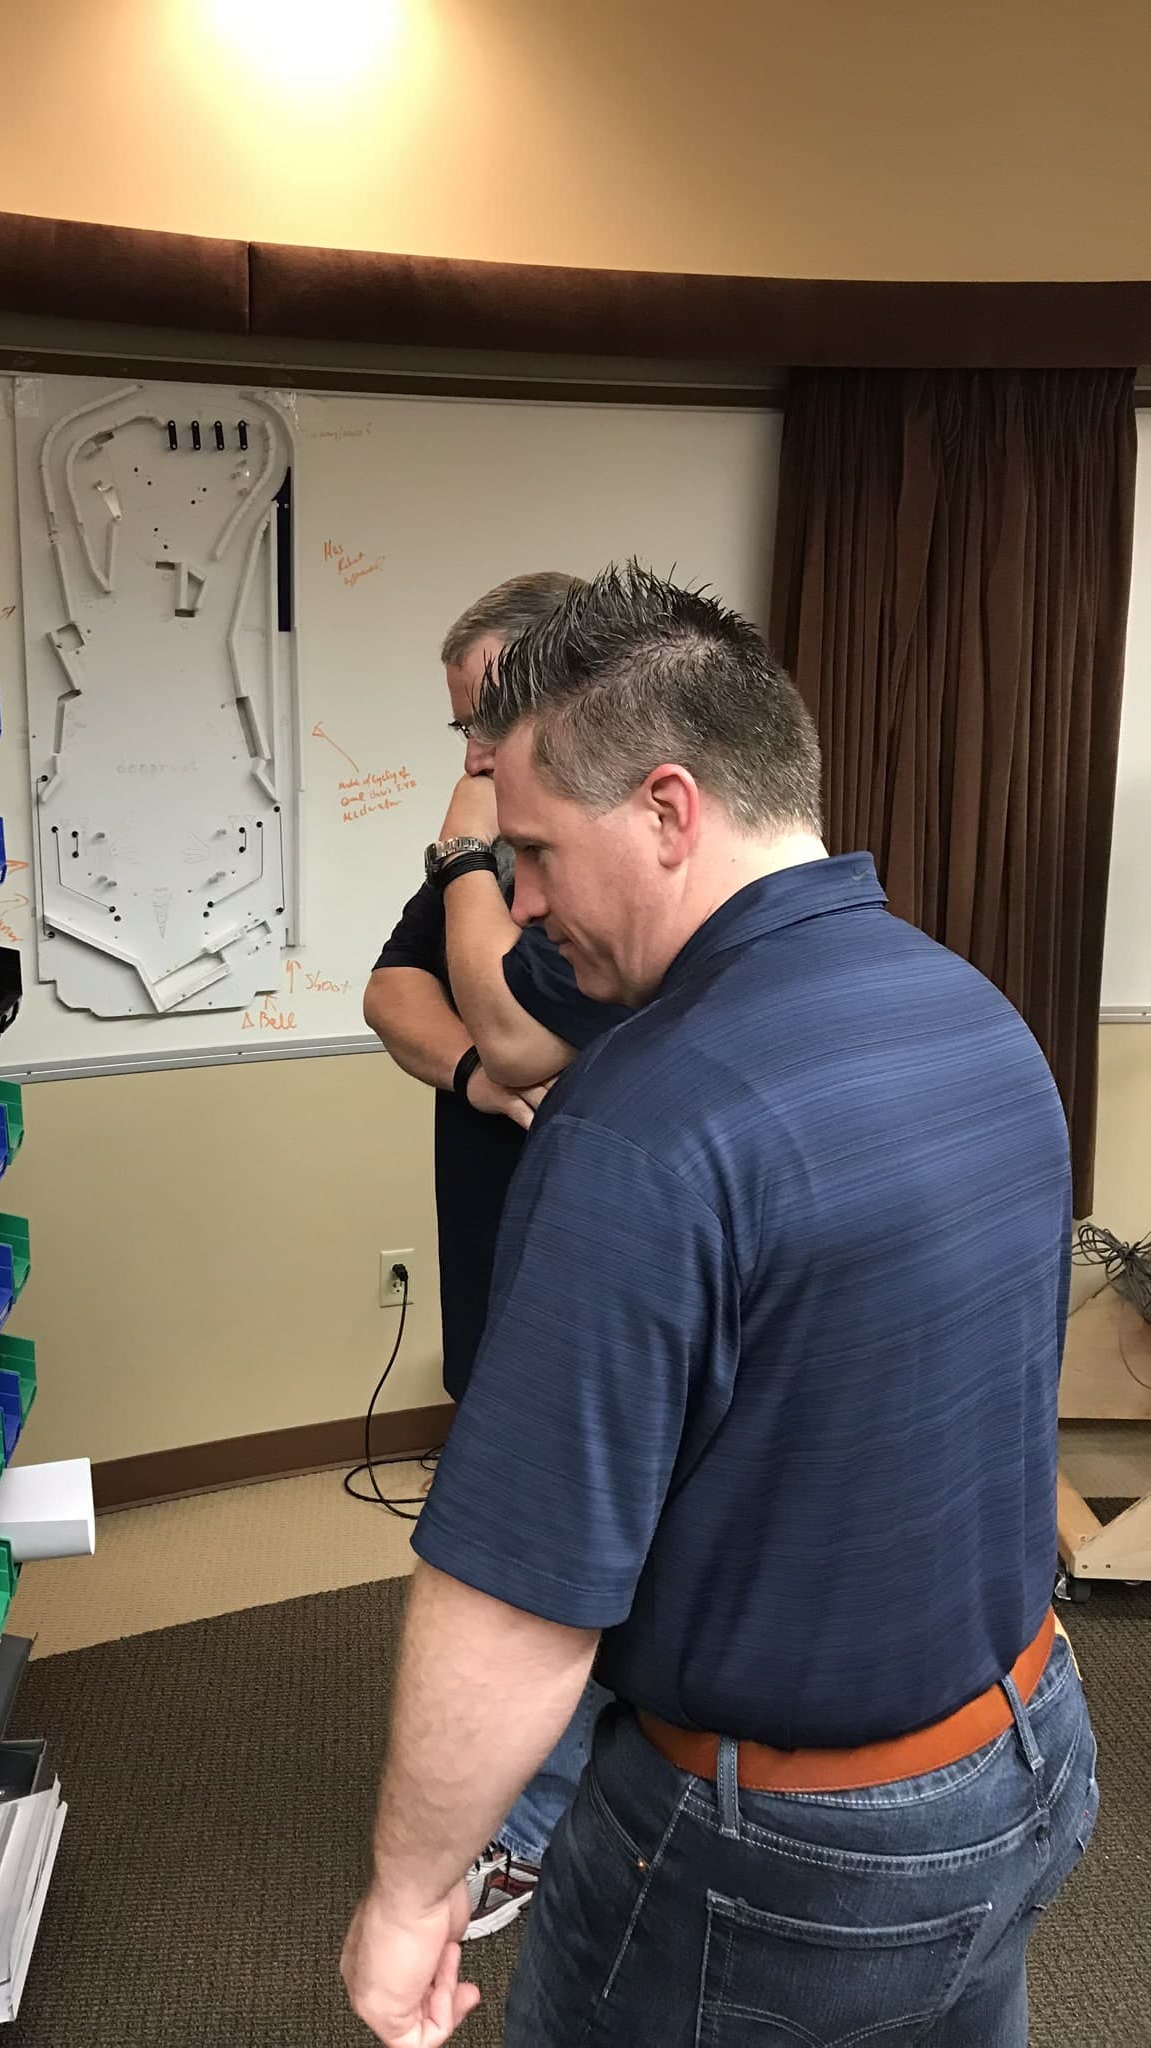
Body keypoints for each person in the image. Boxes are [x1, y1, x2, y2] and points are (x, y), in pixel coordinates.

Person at [342, 563, 1096, 2048]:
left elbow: (514, 1604)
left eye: (536, 853)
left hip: (786, 1857)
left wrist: (409, 1898)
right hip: (1026, 1760)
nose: (524, 899)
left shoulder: (640, 1123)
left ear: (671, 810)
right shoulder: (978, 1011)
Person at [363, 572, 629, 1938]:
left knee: (557, 1550)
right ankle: (533, 1796)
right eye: (461, 729)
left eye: (487, 719)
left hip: (600, 1260)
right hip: (495, 1228)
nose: (468, 758)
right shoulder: (504, 837)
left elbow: (531, 1026)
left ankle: (529, 1826)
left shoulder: (598, 858)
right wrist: (473, 1072)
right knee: (520, 1527)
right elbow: (395, 991)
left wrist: (469, 862)